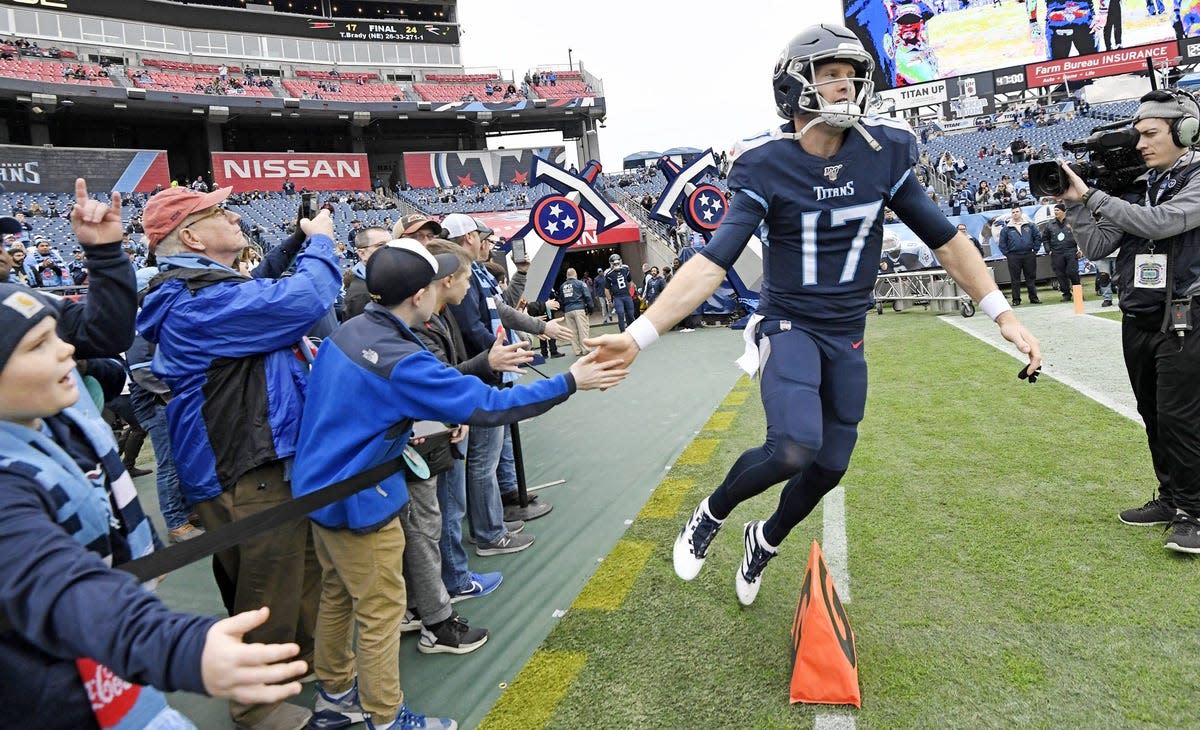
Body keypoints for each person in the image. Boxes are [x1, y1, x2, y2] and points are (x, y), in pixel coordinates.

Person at [586, 23, 1040, 606]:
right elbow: (712, 262)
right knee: (793, 447)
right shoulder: (766, 164)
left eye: (851, 75)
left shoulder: (884, 153)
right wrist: (637, 335)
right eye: (830, 74)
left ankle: (765, 538)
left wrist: (1002, 312)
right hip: (789, 324)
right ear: (794, 87)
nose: (845, 85)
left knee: (830, 465)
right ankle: (712, 512)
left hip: (847, 331)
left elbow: (947, 241)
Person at [291, 241, 626, 730]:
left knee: (338, 596)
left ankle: (336, 696)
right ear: (419, 295)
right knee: (381, 611)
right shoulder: (401, 358)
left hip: (320, 488)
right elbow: (488, 406)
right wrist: (569, 381)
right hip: (360, 499)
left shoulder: (351, 329)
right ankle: (386, 719)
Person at [0, 282, 309, 727]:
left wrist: (141, 546)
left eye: (56, 335)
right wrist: (184, 649)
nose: (66, 349)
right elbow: (64, 588)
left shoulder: (48, 423)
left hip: (103, 654)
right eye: (37, 345)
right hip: (63, 678)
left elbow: (103, 488)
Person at [137, 186, 341, 729]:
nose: (233, 215)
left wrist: (292, 242)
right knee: (265, 585)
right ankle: (256, 703)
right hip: (242, 464)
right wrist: (320, 243)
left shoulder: (203, 288)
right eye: (217, 211)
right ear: (191, 237)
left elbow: (257, 288)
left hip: (254, 457)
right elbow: (303, 300)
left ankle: (298, 660)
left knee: (295, 567)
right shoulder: (195, 299)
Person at [1056, 88, 1200, 553]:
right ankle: (1171, 498)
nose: (1140, 144)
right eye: (1137, 135)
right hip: (1139, 313)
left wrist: (1093, 195)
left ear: (1186, 131)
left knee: (1180, 417)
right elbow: (1098, 245)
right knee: (1152, 413)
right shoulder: (1141, 184)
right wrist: (1074, 203)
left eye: (1150, 133)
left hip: (1186, 313)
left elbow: (1161, 223)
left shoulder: (1197, 179)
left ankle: (1195, 512)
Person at [344, 226, 390, 320]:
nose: (390, 249)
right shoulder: (361, 293)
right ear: (362, 253)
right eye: (381, 245)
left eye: (391, 244)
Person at [999, 206, 1042, 305]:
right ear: (1011, 214)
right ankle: (1016, 300)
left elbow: (1037, 237)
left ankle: (1034, 298)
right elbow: (1002, 243)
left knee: (1030, 278)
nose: (1015, 213)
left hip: (1029, 255)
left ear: (1021, 213)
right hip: (1013, 256)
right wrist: (1008, 254)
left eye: (1017, 211)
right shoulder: (1006, 229)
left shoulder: (1030, 225)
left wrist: (1035, 250)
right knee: (1015, 279)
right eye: (1013, 212)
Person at [1042, 203, 1081, 300]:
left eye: (1057, 210)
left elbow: (1080, 236)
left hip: (1071, 251)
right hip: (1057, 253)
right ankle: (1066, 294)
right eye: (1054, 210)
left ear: (1064, 211)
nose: (1055, 212)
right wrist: (1048, 250)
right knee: (1060, 274)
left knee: (1072, 272)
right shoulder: (1050, 224)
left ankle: (1078, 295)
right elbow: (1045, 239)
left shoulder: (1072, 221)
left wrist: (1080, 249)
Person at [559, 267, 593, 356]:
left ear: (567, 276)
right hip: (579, 309)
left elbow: (560, 300)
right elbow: (588, 297)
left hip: (568, 310)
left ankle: (577, 351)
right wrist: (590, 308)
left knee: (572, 332)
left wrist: (564, 310)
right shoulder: (580, 283)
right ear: (576, 275)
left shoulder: (562, 286)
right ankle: (585, 349)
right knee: (583, 330)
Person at [604, 253, 636, 331]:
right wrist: (609, 301)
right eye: (614, 264)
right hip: (617, 297)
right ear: (611, 264)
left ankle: (633, 331)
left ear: (620, 262)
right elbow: (606, 289)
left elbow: (630, 282)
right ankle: (623, 332)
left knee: (631, 314)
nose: (616, 265)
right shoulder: (608, 274)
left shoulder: (625, 269)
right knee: (620, 314)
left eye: (618, 263)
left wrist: (632, 292)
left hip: (627, 295)